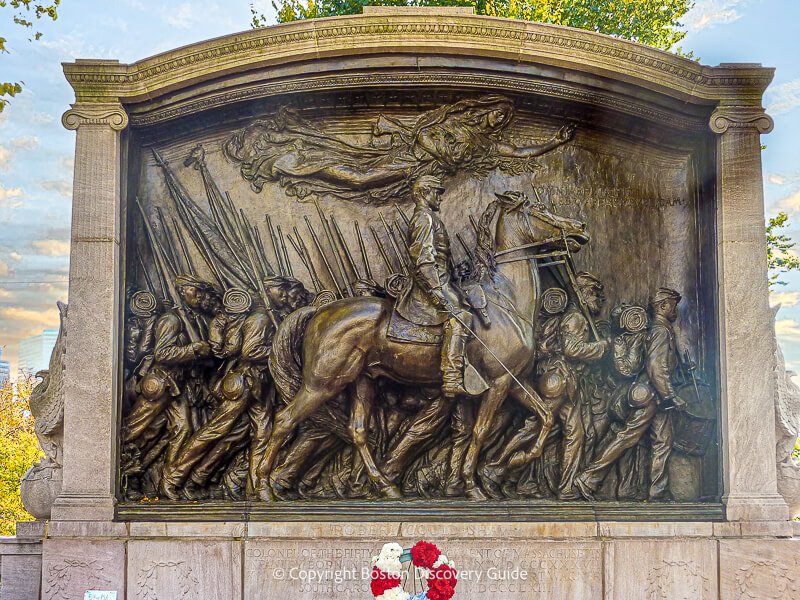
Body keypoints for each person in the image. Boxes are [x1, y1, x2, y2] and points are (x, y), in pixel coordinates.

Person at [575, 287, 684, 502]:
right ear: (663, 306)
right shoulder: (660, 331)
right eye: (673, 305)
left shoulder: (661, 330)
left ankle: (658, 491)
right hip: (653, 396)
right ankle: (589, 478)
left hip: (656, 396)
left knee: (662, 441)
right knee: (627, 437)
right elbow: (655, 367)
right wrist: (669, 395)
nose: (675, 310)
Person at [121, 275, 221, 481]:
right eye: (197, 291)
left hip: (178, 385)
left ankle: (168, 479)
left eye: (203, 293)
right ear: (184, 291)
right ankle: (120, 472)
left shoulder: (196, 320)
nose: (202, 297)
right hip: (160, 383)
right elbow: (163, 354)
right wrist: (194, 349)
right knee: (135, 430)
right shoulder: (172, 320)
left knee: (183, 429)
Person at [395, 175, 474, 398]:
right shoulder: (423, 219)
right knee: (461, 318)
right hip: (428, 287)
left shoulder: (430, 218)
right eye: (436, 192)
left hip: (441, 281)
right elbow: (424, 260)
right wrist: (437, 291)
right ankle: (451, 378)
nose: (440, 196)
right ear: (423, 193)